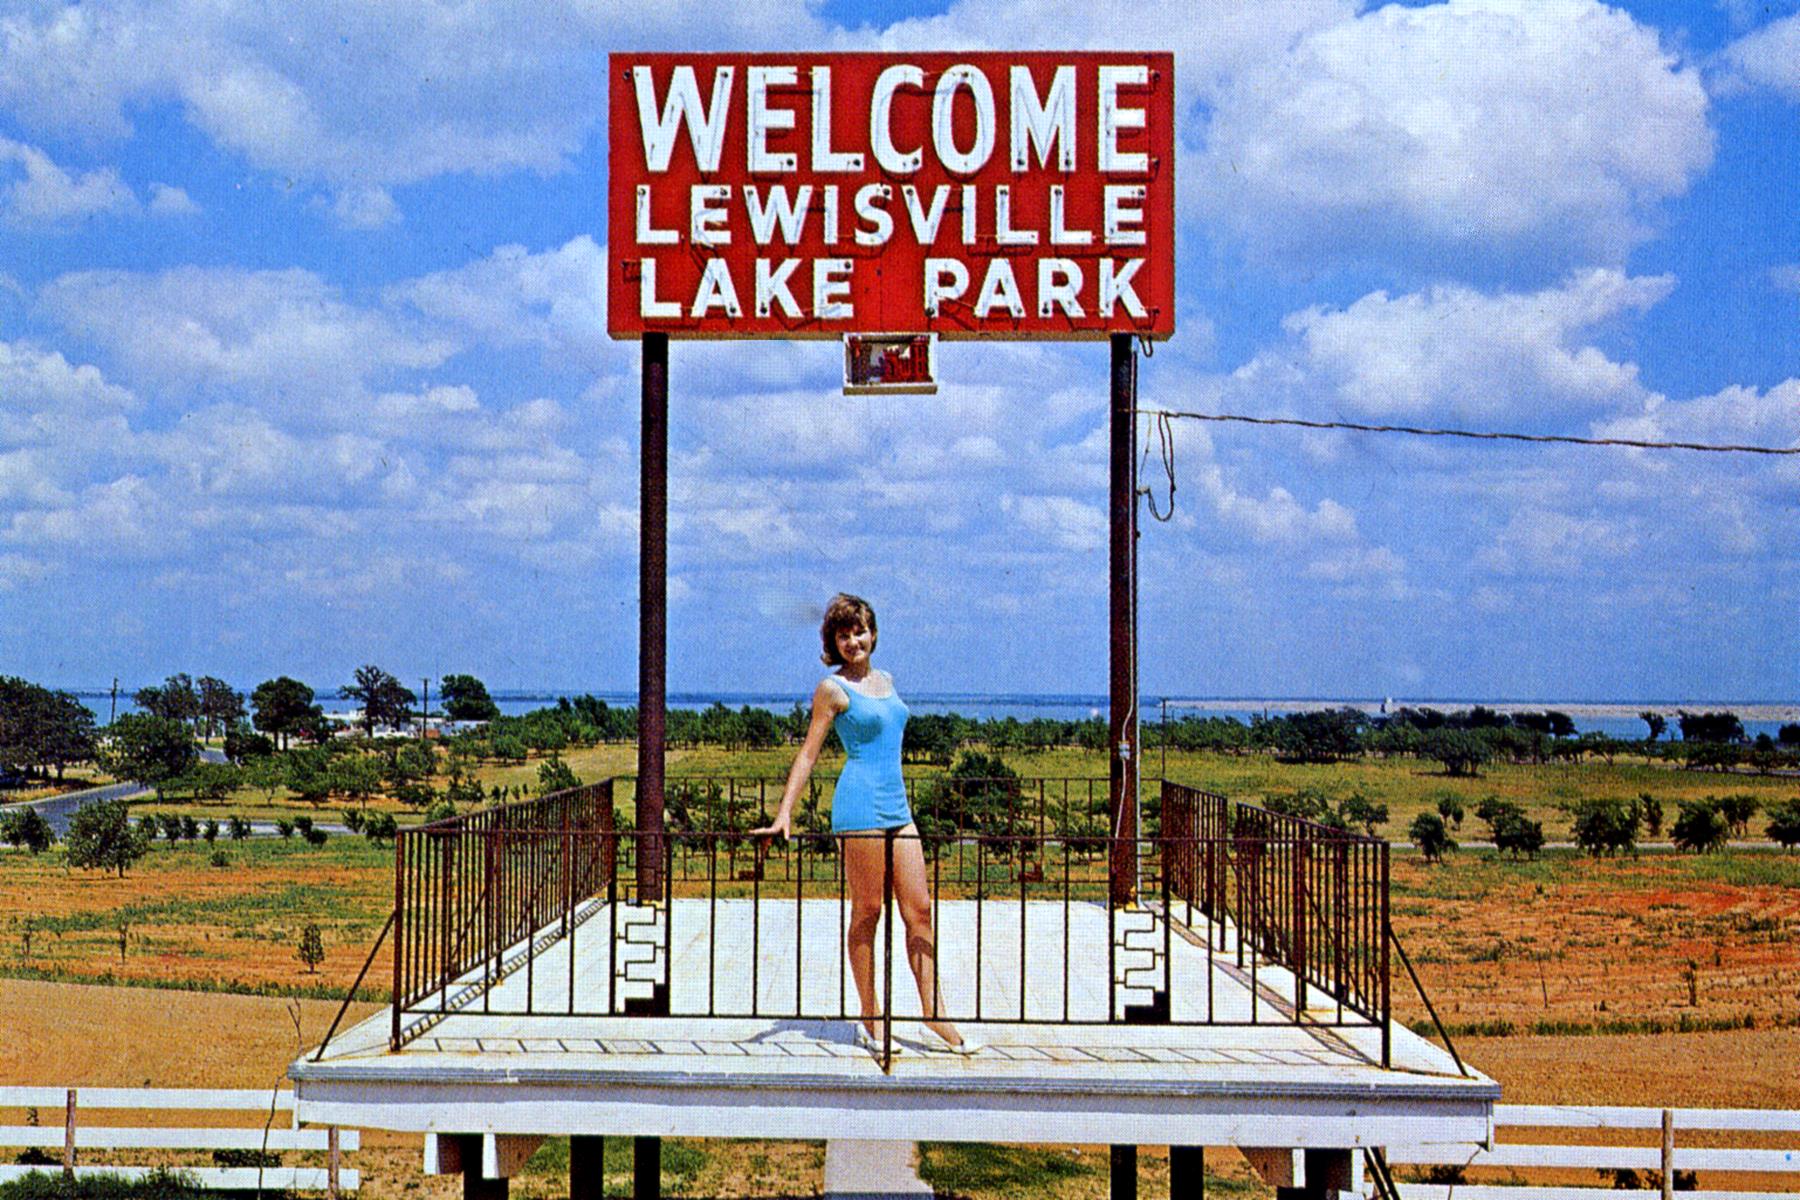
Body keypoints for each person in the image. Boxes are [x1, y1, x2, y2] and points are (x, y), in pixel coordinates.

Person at [753, 593, 976, 1055]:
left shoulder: (887, 680)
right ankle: (872, 1017)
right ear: (833, 641)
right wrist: (784, 813)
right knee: (867, 912)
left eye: (860, 631)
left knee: (921, 912)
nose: (854, 640)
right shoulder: (832, 689)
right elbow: (809, 751)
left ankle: (934, 1013)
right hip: (858, 807)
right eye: (843, 634)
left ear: (873, 633)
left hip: (898, 807)